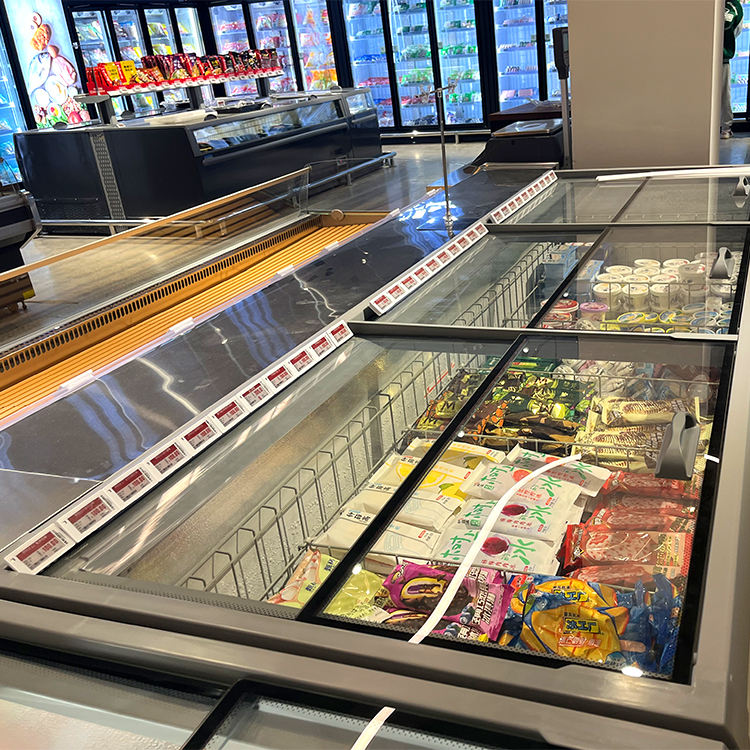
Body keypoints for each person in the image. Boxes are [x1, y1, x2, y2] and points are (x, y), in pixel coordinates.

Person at [722, 0, 743, 139]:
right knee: (724, 93)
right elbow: (736, 31)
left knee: (724, 93)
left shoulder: (735, 6)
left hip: (721, 57)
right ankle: (725, 127)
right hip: (722, 56)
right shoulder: (735, 7)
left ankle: (725, 127)